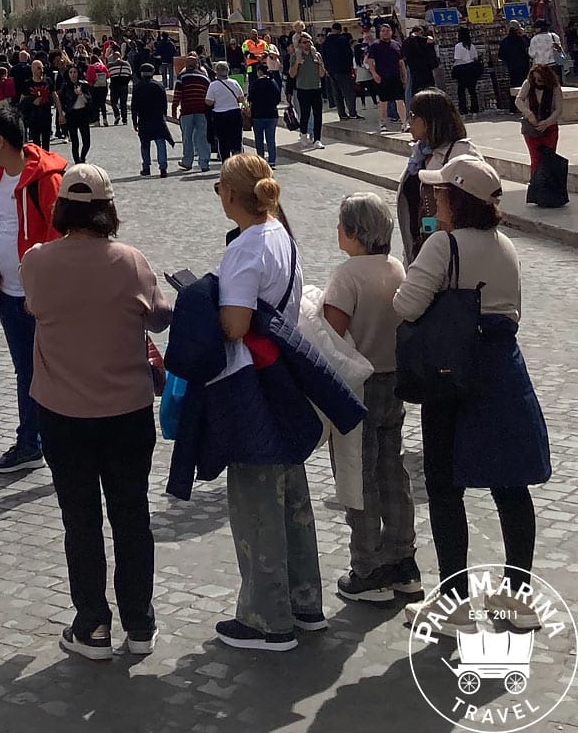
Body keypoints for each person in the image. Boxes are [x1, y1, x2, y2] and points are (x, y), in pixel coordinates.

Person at [392, 155, 549, 630]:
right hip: (502, 368)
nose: (434, 196)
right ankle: (518, 600)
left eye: (440, 191)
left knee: (444, 487)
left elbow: (406, 304)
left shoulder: (443, 245)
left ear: (456, 198)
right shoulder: (506, 246)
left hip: (452, 372)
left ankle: (454, 603)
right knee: (510, 486)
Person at [21, 164, 171, 662]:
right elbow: (158, 314)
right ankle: (141, 623)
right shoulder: (130, 261)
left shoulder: (37, 261)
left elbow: (34, 309)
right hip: (126, 410)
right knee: (132, 517)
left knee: (80, 520)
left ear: (61, 207)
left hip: (63, 413)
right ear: (109, 209)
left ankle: (92, 624)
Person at [211, 154, 326, 652]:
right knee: (291, 496)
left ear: (233, 195)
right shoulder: (280, 233)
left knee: (257, 497)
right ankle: (305, 602)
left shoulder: (246, 248)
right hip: (284, 371)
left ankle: (267, 618)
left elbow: (236, 324)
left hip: (250, 379)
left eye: (219, 187)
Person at [322, 193, 418, 605]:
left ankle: (368, 566)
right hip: (392, 377)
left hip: (358, 383)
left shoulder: (348, 275)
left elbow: (331, 333)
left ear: (355, 232)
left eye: (342, 225)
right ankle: (403, 559)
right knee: (392, 470)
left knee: (358, 475)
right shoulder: (395, 267)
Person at [0, 108, 66, 474]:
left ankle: (58, 441)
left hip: (41, 297)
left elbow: (59, 236)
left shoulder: (45, 179)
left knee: (54, 369)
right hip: (11, 294)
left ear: (0, 141)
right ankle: (31, 443)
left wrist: (39, 286)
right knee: (25, 371)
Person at [395, 89, 480, 264]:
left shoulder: (461, 153)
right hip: (420, 248)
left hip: (449, 253)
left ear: (429, 120)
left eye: (412, 116)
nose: (409, 123)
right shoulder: (420, 153)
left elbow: (475, 201)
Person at [515, 64, 562, 175]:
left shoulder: (554, 87)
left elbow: (559, 109)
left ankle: (548, 185)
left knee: (548, 158)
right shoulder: (528, 84)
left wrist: (547, 122)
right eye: (535, 79)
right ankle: (537, 186)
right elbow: (518, 100)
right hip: (532, 128)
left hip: (549, 127)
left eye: (540, 79)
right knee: (536, 159)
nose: (537, 81)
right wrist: (528, 113)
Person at [171, 55, 212, 174]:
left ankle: (187, 161)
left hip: (187, 110)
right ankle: (204, 162)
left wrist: (174, 109)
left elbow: (177, 94)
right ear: (197, 64)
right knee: (202, 137)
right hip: (202, 110)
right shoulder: (204, 77)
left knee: (187, 137)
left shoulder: (182, 77)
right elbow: (209, 94)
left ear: (185, 65)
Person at [366, 24, 407, 129]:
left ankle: (404, 123)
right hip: (382, 77)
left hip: (395, 77)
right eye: (383, 31)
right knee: (383, 101)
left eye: (387, 30)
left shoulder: (396, 44)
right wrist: (374, 74)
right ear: (380, 33)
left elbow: (401, 62)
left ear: (391, 32)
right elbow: (370, 61)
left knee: (400, 100)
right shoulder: (375, 46)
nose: (385, 32)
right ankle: (383, 123)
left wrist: (404, 75)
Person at [205, 62, 246, 163]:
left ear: (216, 72)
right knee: (237, 140)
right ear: (227, 71)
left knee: (223, 141)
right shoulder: (234, 83)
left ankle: (226, 163)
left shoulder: (213, 85)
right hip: (235, 113)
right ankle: (237, 164)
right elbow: (241, 98)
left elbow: (209, 102)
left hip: (220, 115)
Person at [247, 60, 282, 168]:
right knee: (271, 139)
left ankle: (260, 159)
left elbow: (250, 98)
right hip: (272, 114)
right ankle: (272, 160)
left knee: (259, 139)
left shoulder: (255, 83)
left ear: (259, 72)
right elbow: (278, 99)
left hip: (258, 115)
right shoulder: (273, 82)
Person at [57, 63, 93, 163]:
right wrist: (61, 113)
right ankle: (77, 162)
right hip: (71, 115)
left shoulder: (84, 84)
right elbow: (60, 100)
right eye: (71, 72)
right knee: (75, 142)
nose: (73, 74)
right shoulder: (65, 86)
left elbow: (90, 100)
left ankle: (83, 157)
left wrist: (81, 94)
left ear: (78, 73)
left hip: (83, 114)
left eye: (75, 72)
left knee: (87, 142)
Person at [320, 24, 357, 120]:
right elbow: (349, 54)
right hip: (343, 70)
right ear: (340, 30)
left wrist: (327, 68)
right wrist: (350, 66)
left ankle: (342, 114)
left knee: (337, 93)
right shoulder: (343, 40)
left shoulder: (325, 42)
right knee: (348, 92)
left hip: (331, 71)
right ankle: (352, 113)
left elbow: (323, 56)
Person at [23, 60, 57, 151]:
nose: (41, 70)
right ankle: (39, 163)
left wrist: (60, 113)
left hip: (46, 116)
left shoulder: (48, 81)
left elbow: (55, 97)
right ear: (33, 69)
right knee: (36, 144)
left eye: (42, 68)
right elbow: (22, 102)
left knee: (46, 144)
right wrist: (32, 101)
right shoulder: (27, 83)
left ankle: (45, 163)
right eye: (38, 68)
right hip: (34, 118)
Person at [451, 28, 482, 117]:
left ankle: (463, 111)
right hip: (471, 68)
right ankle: (474, 111)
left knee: (461, 91)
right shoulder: (471, 46)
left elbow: (457, 58)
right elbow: (475, 58)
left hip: (461, 69)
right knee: (472, 91)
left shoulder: (458, 46)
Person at [498, 23, 531, 93]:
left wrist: (508, 60)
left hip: (512, 68)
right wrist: (524, 35)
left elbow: (500, 56)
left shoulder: (504, 42)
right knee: (527, 85)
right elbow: (530, 44)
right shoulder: (522, 39)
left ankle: (516, 101)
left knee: (515, 86)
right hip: (524, 66)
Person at [84, 52, 110, 126]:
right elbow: (108, 75)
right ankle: (105, 119)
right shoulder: (103, 66)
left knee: (95, 105)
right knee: (102, 104)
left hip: (94, 88)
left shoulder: (91, 67)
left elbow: (89, 78)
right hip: (103, 87)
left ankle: (97, 120)